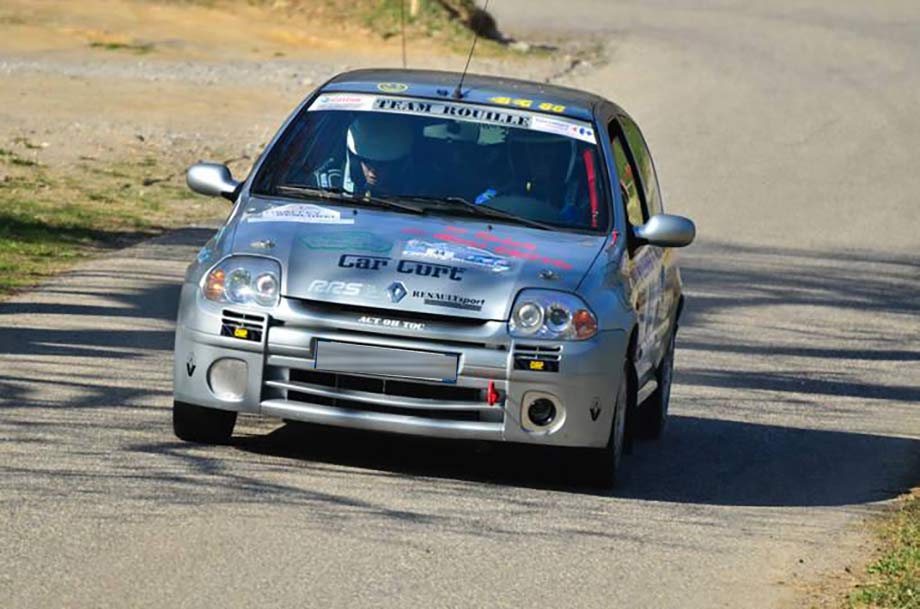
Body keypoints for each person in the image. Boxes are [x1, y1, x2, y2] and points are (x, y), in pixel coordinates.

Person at [344, 113, 414, 197]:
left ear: (397, 165)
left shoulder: (416, 195)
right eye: (367, 161)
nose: (372, 172)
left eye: (381, 164)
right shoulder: (344, 189)